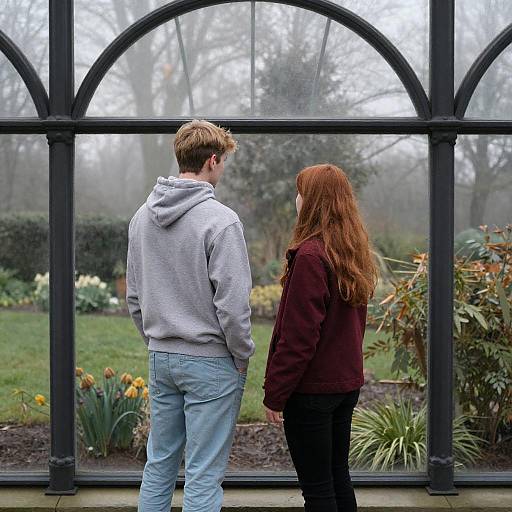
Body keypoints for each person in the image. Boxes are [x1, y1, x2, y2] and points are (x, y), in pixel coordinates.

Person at [127, 119, 255, 512]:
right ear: (212, 161)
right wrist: (241, 354)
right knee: (202, 474)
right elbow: (233, 307)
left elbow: (135, 298)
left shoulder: (141, 219)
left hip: (161, 357)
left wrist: (158, 341)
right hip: (212, 361)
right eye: (223, 163)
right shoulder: (221, 220)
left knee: (159, 465)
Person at [263, 164, 378, 512]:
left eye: (300, 192)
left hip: (312, 393)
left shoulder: (311, 255)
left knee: (318, 491)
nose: (296, 199)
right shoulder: (349, 252)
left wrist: (275, 395)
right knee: (337, 477)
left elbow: (299, 339)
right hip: (344, 388)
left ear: (313, 200)